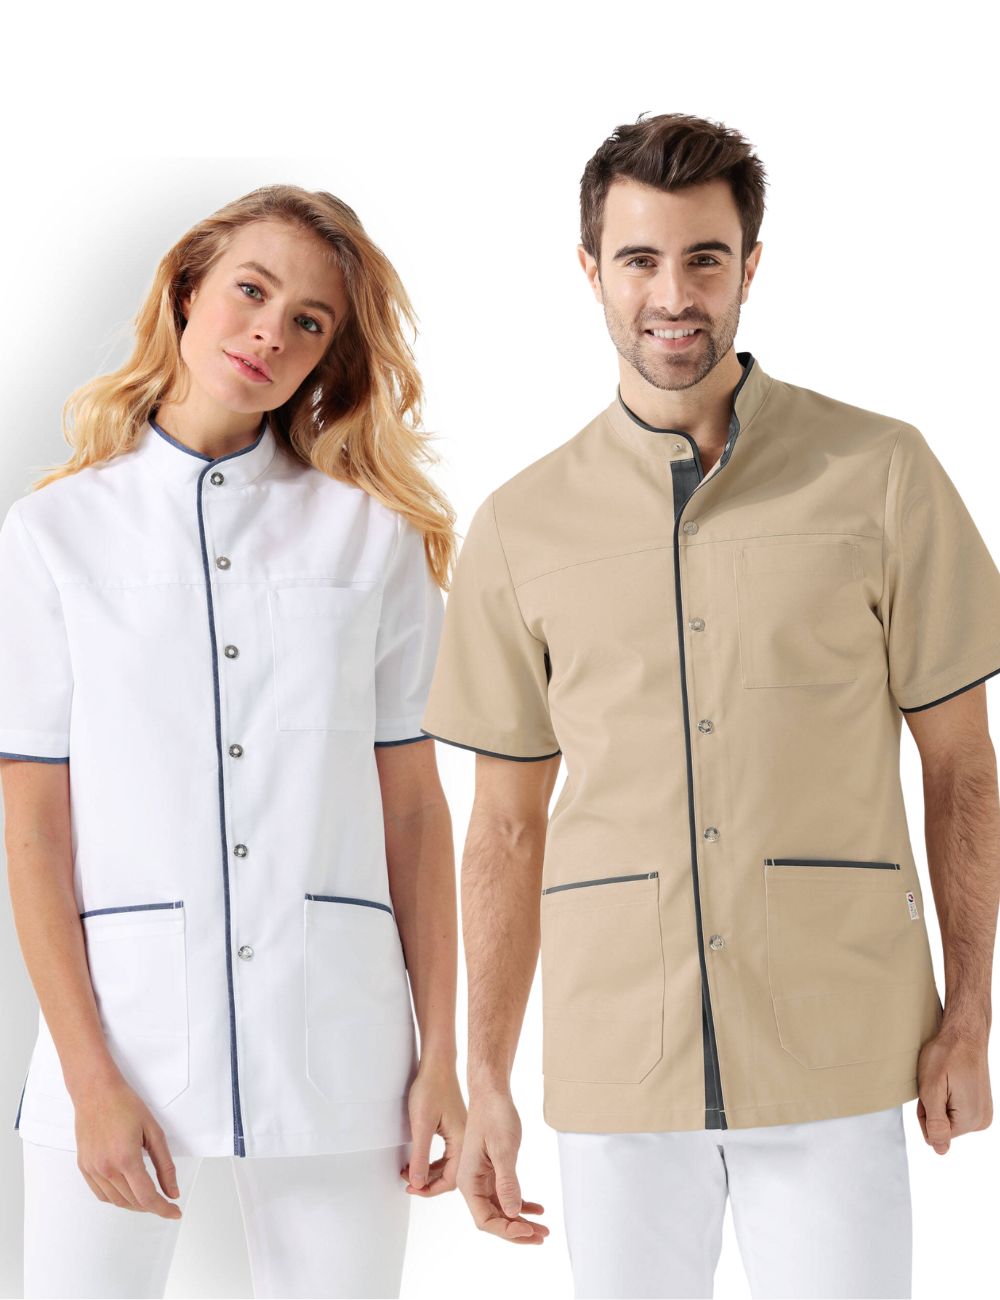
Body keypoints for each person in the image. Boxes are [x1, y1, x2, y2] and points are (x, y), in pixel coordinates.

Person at [419, 112, 1000, 1299]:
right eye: (639, 259)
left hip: (839, 1040)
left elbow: (961, 767)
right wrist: (487, 1078)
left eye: (704, 258)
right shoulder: (521, 526)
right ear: (590, 269)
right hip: (617, 1056)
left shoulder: (881, 473)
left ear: (749, 265)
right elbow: (503, 830)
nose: (672, 295)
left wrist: (968, 1016)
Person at [0, 183, 466, 1300]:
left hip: (339, 1040)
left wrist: (441, 1056)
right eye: (250, 292)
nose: (269, 332)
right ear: (185, 292)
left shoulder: (373, 539)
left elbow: (414, 811)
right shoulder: (56, 533)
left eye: (308, 320)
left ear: (328, 356)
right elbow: (34, 825)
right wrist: (88, 1076)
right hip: (120, 1036)